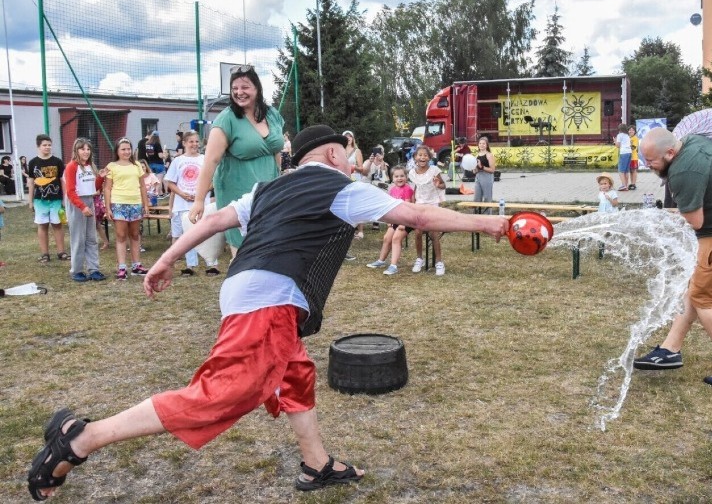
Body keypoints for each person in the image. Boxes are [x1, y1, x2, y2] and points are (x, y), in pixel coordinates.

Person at [25, 124, 508, 501]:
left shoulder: (268, 189)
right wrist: (488, 226)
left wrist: (166, 259)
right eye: (345, 153)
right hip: (269, 299)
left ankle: (315, 463)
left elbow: (213, 220)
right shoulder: (340, 186)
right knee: (220, 395)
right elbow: (418, 217)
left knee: (295, 372)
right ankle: (82, 438)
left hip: (242, 289)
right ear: (335, 154)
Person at [633, 128, 712, 390]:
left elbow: (694, 220)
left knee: (704, 298)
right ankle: (670, 349)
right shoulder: (693, 142)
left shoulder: (683, 172)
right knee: (691, 290)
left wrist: (660, 220)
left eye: (652, 161)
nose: (648, 167)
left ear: (670, 152)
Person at [189, 65, 284, 254]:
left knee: (269, 245)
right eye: (235, 89)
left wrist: (283, 178)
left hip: (268, 190)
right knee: (244, 249)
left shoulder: (272, 114)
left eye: (245, 87)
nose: (239, 92)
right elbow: (210, 161)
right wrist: (199, 200)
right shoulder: (226, 119)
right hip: (238, 191)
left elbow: (278, 151)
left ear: (257, 88)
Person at [164, 131, 219, 276]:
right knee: (186, 234)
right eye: (191, 142)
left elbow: (214, 180)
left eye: (196, 141)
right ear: (184, 143)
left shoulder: (205, 159)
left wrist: (201, 194)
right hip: (183, 204)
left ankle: (212, 264)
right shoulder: (178, 161)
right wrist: (182, 194)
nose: (194, 144)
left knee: (206, 232)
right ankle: (190, 265)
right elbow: (170, 182)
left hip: (202, 203)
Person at [104, 137, 149, 280]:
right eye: (123, 149)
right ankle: (122, 267)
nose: (126, 151)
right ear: (117, 150)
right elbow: (107, 188)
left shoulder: (136, 165)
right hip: (119, 204)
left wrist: (145, 204)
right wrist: (108, 207)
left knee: (135, 235)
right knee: (121, 235)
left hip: (135, 204)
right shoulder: (111, 166)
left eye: (128, 149)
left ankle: (137, 265)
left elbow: (142, 186)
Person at [63, 138, 107, 282]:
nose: (86, 152)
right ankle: (76, 270)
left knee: (91, 238)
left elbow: (94, 187)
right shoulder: (71, 166)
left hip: (89, 200)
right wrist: (82, 206)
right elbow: (70, 191)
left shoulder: (90, 166)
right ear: (76, 150)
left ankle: (93, 269)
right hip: (77, 202)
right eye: (83, 149)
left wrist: (100, 178)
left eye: (88, 149)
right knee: (78, 238)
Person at [366, 165, 415, 275]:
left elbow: (407, 208)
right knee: (387, 238)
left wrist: (403, 223)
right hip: (396, 219)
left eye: (402, 176)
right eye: (396, 176)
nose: (399, 178)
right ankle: (381, 261)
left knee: (396, 239)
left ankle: (393, 266)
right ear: (392, 178)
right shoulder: (392, 190)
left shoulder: (407, 189)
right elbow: (391, 207)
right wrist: (390, 221)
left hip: (407, 220)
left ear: (406, 177)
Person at [28, 134, 69, 263]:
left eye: (49, 145)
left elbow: (63, 181)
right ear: (38, 146)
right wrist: (30, 201)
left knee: (57, 225)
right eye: (44, 145)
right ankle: (45, 253)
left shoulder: (57, 161)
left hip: (56, 199)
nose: (47, 147)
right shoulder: (33, 162)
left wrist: (64, 197)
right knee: (42, 225)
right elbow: (31, 182)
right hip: (40, 200)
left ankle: (61, 252)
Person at [408, 144, 447, 275]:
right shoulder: (412, 173)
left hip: (433, 204)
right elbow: (415, 188)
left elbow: (443, 185)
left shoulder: (434, 170)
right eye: (420, 155)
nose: (422, 157)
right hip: (420, 205)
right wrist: (413, 204)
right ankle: (419, 259)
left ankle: (439, 262)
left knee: (433, 233)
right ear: (415, 157)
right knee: (418, 232)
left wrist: (438, 184)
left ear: (429, 158)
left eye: (425, 155)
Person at [474, 136, 496, 211]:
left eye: (483, 143)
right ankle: (476, 215)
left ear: (487, 145)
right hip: (478, 176)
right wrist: (474, 169)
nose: (481, 145)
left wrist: (482, 167)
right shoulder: (476, 155)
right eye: (480, 143)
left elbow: (492, 170)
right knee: (477, 198)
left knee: (487, 197)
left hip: (487, 177)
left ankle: (488, 216)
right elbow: (475, 170)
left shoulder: (489, 155)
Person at [614, 123, 632, 191]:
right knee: (626, 171)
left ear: (619, 129)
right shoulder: (627, 135)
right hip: (629, 152)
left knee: (621, 171)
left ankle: (623, 185)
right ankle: (626, 185)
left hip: (623, 153)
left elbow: (618, 146)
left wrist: (615, 141)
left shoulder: (619, 135)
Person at [628, 125, 639, 190]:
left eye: (632, 130)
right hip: (629, 157)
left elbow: (633, 147)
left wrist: (627, 146)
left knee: (634, 170)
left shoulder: (635, 138)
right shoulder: (627, 138)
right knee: (630, 171)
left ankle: (634, 183)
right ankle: (631, 183)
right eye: (630, 130)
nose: (631, 131)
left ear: (635, 131)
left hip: (634, 157)